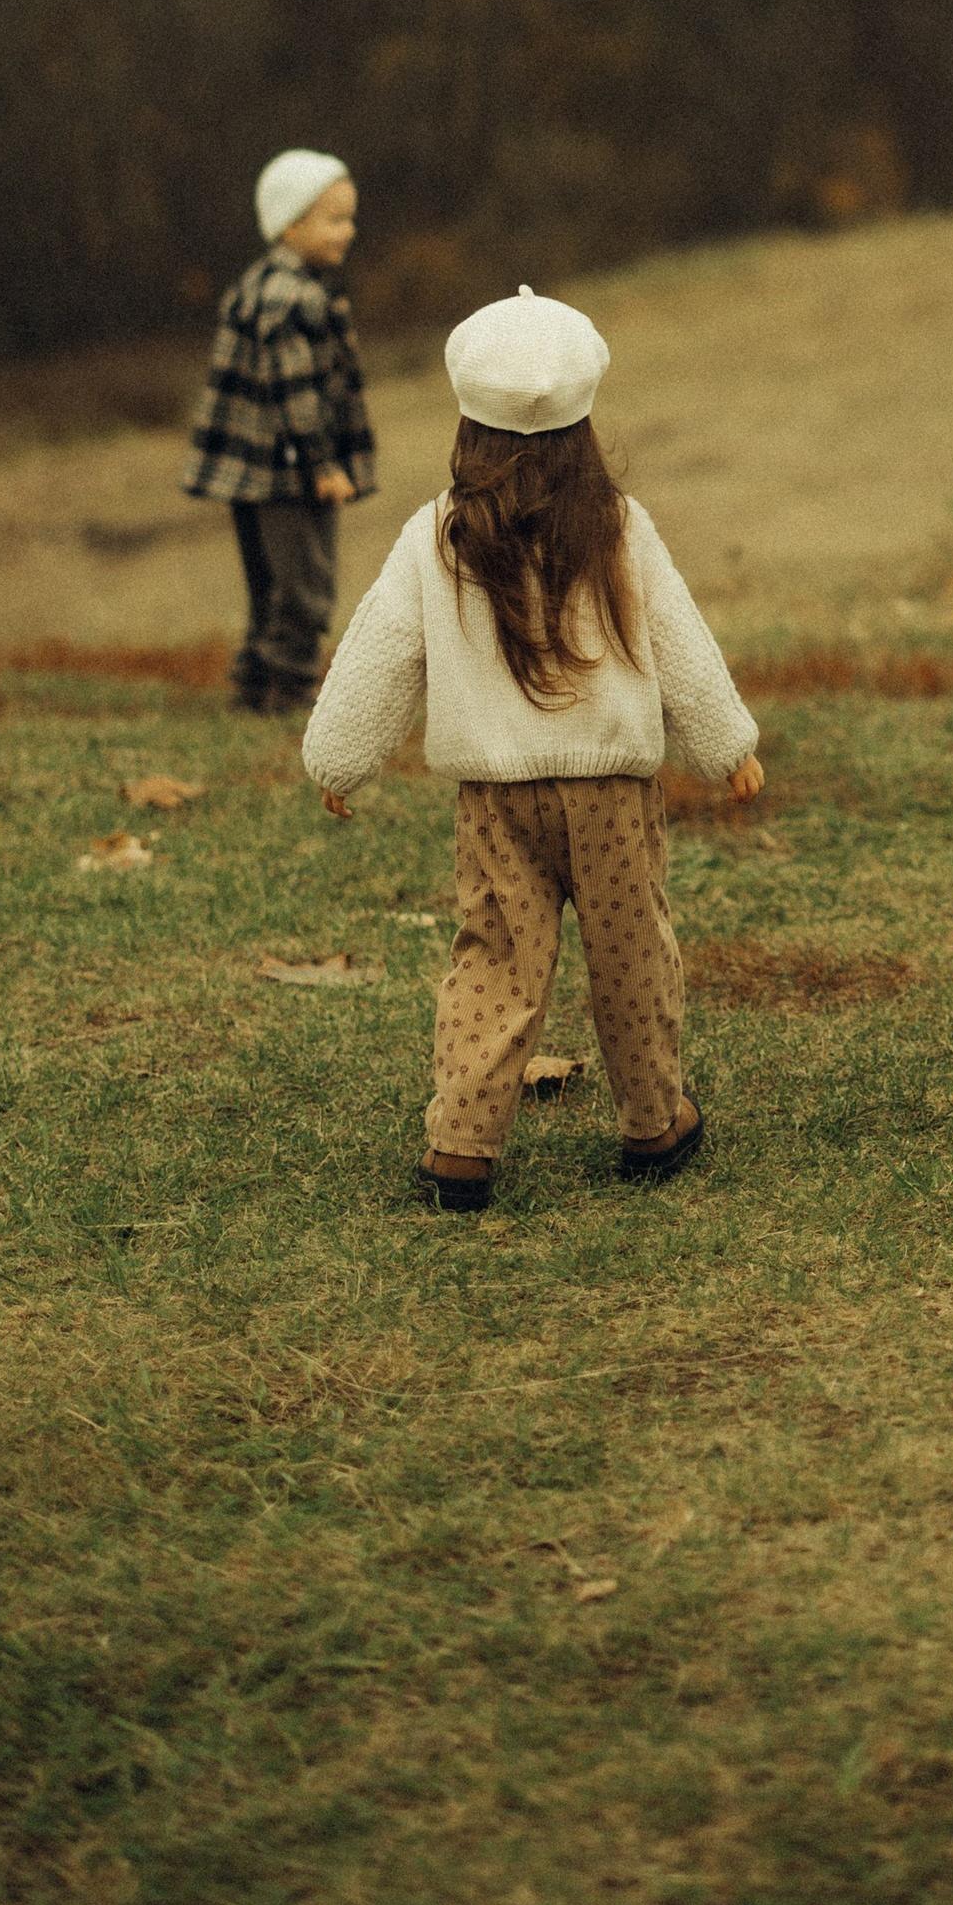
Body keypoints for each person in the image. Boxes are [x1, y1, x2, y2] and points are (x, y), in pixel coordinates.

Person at [302, 285, 763, 1212]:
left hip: (496, 799)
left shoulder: (438, 534)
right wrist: (727, 744)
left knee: (497, 957)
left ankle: (463, 1145)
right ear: (584, 421)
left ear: (469, 421)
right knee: (632, 949)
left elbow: (381, 649)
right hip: (610, 795)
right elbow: (680, 640)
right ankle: (653, 1121)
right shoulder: (619, 527)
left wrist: (338, 759)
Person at [183, 149, 376, 718]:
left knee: (267, 581)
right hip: (289, 469)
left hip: (254, 469)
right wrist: (323, 463)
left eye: (349, 217)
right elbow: (295, 392)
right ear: (291, 225)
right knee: (304, 581)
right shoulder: (295, 297)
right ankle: (289, 689)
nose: (349, 230)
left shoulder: (262, 283)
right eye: (335, 219)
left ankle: (254, 684)